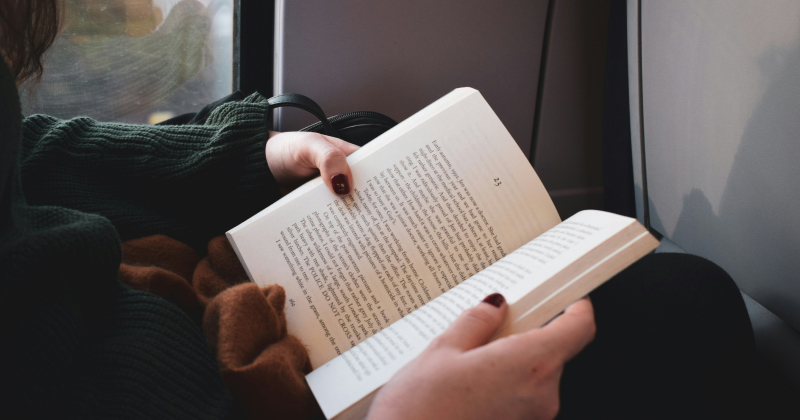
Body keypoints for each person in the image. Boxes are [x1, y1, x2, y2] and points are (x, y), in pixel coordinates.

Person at [0, 1, 765, 419]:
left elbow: (28, 156)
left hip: (167, 315)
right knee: (691, 306)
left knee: (367, 141)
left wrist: (256, 157)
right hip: (246, 391)